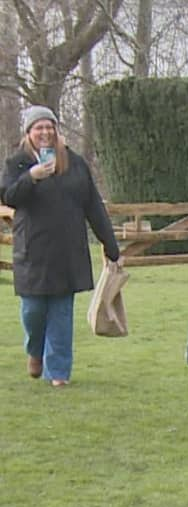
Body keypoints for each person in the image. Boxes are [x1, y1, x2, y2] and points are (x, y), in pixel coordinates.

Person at [2, 105, 121, 387]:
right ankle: (34, 350)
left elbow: (93, 206)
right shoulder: (17, 164)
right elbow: (9, 197)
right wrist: (32, 177)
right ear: (28, 133)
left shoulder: (76, 163)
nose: (45, 132)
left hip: (68, 252)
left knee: (61, 313)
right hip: (32, 252)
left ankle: (57, 372)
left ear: (56, 130)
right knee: (33, 311)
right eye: (38, 128)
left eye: (49, 127)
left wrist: (111, 246)